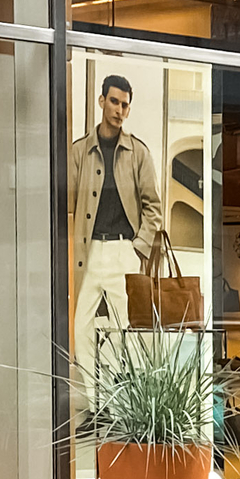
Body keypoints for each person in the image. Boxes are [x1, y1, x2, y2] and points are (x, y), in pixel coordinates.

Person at [68, 74, 166, 416]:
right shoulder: (80, 151)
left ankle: (125, 408)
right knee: (81, 329)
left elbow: (154, 207)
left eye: (125, 105)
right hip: (89, 253)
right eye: (114, 102)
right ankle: (97, 405)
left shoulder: (137, 152)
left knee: (128, 333)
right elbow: (67, 204)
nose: (119, 110)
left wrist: (139, 247)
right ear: (101, 101)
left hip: (125, 251)